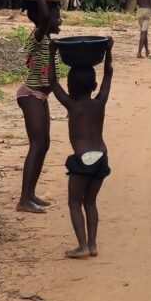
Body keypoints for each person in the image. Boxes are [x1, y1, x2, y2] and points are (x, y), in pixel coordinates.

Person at [49, 38, 114, 258]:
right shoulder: (99, 102)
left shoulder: (71, 104)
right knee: (91, 202)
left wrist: (52, 53)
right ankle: (93, 244)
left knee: (74, 202)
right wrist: (107, 52)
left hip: (83, 158)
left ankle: (82, 246)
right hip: (101, 157)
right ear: (93, 87)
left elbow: (51, 82)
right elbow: (108, 76)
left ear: (70, 87)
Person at [16, 0, 60, 213]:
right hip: (30, 94)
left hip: (40, 96)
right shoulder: (38, 35)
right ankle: (24, 199)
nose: (60, 19)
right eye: (57, 15)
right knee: (36, 144)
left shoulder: (48, 41)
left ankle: (31, 194)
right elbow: (43, 17)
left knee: (44, 144)